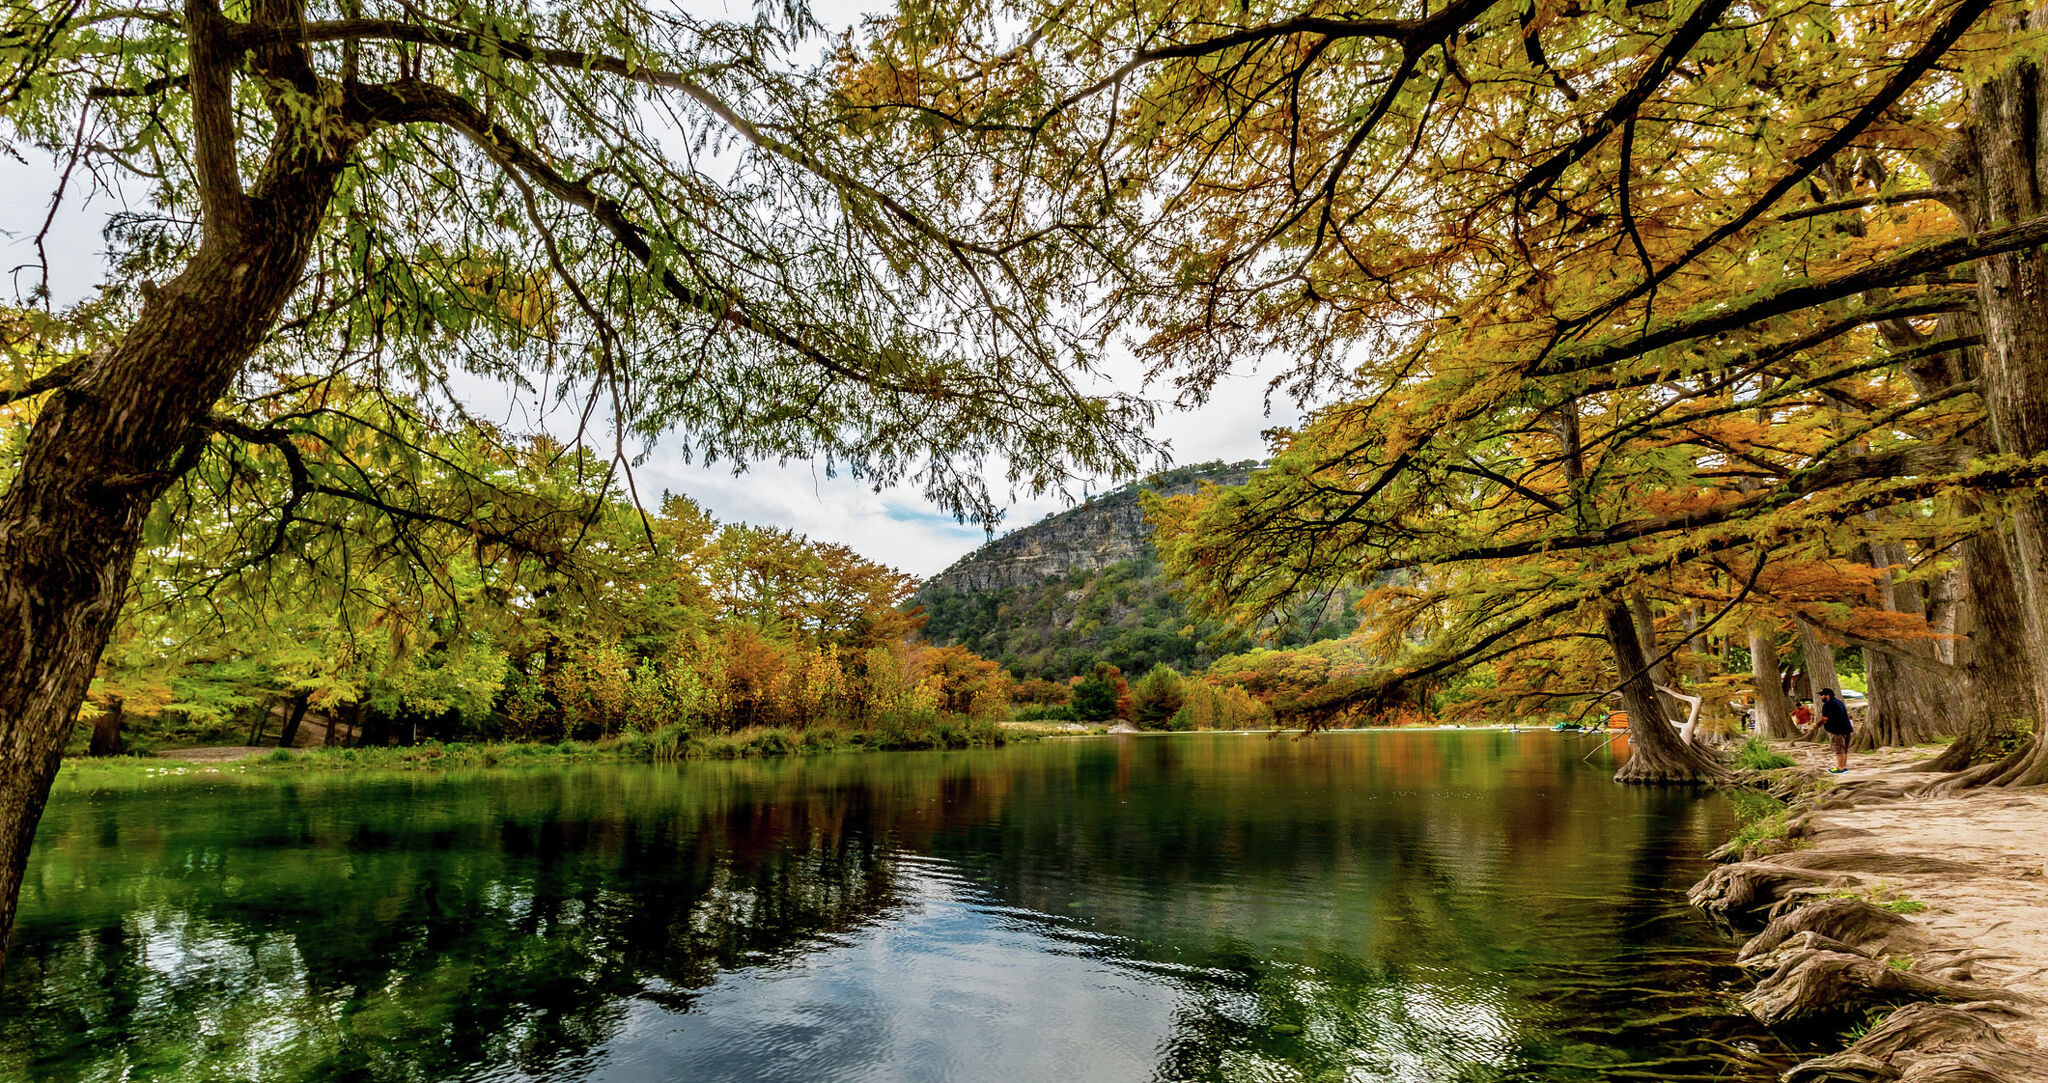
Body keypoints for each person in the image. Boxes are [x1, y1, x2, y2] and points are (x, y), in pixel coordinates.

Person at [1807, 688, 1853, 772]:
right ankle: (1843, 767)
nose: (1820, 697)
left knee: (1839, 750)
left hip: (1836, 730)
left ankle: (1840, 768)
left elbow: (1825, 717)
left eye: (1822, 695)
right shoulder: (1839, 702)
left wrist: (1817, 725)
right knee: (1844, 750)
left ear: (1827, 696)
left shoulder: (1828, 704)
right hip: (1847, 729)